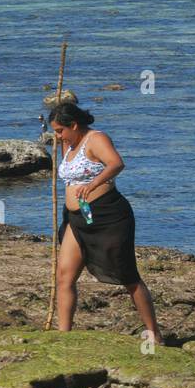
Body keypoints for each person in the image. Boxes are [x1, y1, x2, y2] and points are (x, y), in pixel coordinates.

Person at [48, 102, 161, 343]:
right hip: (77, 219)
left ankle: (154, 334)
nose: (57, 136)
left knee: (127, 276)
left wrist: (93, 184)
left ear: (74, 125)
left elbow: (116, 163)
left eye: (59, 131)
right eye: (55, 131)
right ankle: (63, 337)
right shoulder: (67, 145)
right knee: (64, 276)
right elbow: (68, 173)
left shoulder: (96, 139)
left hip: (108, 216)